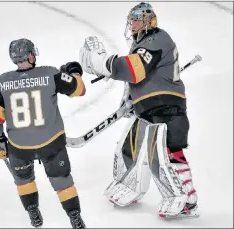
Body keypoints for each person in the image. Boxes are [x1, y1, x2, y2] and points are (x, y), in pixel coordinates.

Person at [79, 2, 198, 220]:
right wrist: (130, 98)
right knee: (131, 146)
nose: (132, 23)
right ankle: (128, 185)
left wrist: (104, 62)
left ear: (149, 20)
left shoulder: (157, 38)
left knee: (165, 152)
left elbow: (134, 69)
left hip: (167, 106)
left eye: (137, 19)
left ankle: (187, 200)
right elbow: (136, 79)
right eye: (131, 19)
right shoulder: (141, 44)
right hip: (149, 108)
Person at [0, 38, 86, 228]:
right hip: (51, 143)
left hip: (19, 147)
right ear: (31, 55)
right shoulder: (50, 74)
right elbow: (79, 90)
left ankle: (33, 212)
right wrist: (74, 72)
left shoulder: (1, 82)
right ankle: (74, 216)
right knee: (62, 180)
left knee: (23, 180)